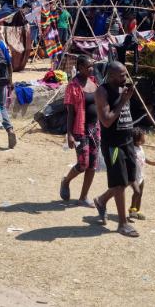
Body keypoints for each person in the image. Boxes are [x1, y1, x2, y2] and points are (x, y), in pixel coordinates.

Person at [92, 61, 140, 238]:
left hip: (127, 141)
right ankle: (122, 223)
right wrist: (123, 101)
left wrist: (127, 97)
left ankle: (101, 200)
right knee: (119, 183)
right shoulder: (102, 91)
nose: (125, 78)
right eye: (121, 76)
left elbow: (124, 113)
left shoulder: (123, 88)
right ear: (111, 76)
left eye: (125, 75)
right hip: (113, 144)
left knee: (129, 179)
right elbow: (106, 120)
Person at [60, 54, 100, 206]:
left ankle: (83, 197)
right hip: (80, 129)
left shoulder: (94, 81)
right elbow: (70, 112)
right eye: (88, 66)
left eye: (92, 66)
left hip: (95, 128)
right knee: (83, 164)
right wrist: (69, 134)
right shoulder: (73, 85)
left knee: (93, 165)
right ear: (81, 67)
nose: (91, 68)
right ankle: (66, 180)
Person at [128, 127, 155, 221]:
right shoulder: (132, 151)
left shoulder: (140, 148)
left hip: (141, 175)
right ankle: (132, 211)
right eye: (143, 137)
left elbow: (144, 158)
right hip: (133, 176)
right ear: (137, 141)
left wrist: (151, 162)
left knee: (140, 194)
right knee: (136, 192)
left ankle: (137, 211)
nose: (145, 138)